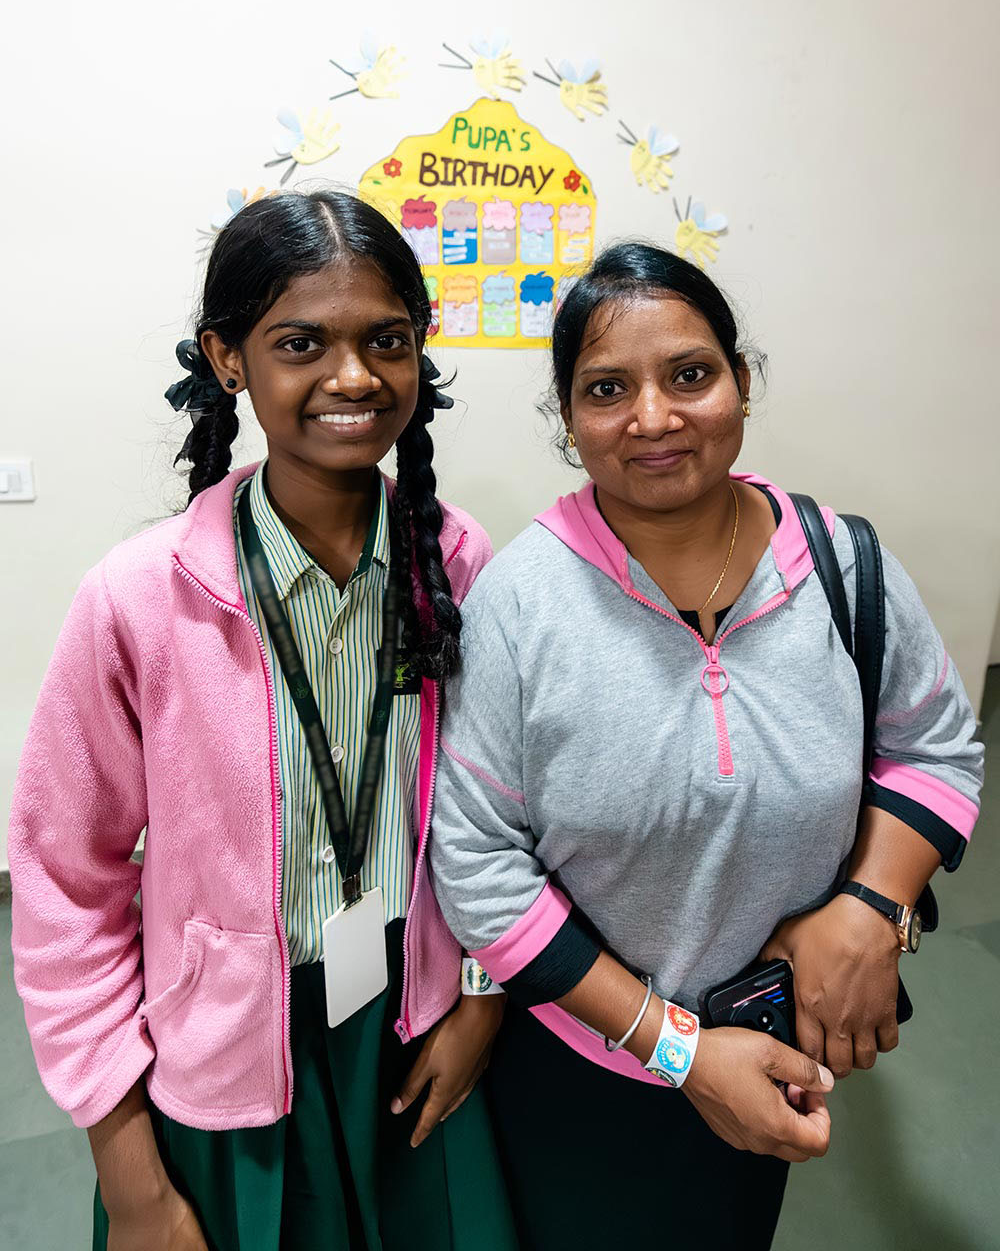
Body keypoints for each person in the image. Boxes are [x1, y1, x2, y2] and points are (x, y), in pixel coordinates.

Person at [429, 242, 984, 1250]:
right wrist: (681, 1050)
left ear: (740, 379)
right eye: (607, 388)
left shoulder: (840, 562)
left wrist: (868, 911)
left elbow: (935, 746)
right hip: (581, 1055)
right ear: (567, 419)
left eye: (689, 373)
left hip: (771, 1033)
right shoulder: (519, 603)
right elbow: (476, 862)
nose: (653, 416)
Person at [9, 191, 517, 1251]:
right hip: (221, 1062)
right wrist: (128, 1166)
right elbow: (65, 882)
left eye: (385, 340)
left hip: (413, 1029)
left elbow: (510, 814)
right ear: (229, 358)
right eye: (302, 343)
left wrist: (480, 998)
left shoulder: (459, 565)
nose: (352, 377)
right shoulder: (141, 598)